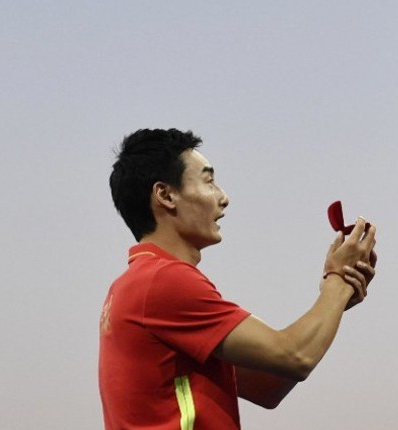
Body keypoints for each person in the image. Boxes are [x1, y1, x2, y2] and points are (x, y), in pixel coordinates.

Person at [100, 128, 377, 429]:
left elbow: (266, 387)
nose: (224, 198)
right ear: (166, 195)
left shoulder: (137, 283)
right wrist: (337, 281)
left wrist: (336, 299)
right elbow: (295, 355)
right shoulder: (165, 281)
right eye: (209, 181)